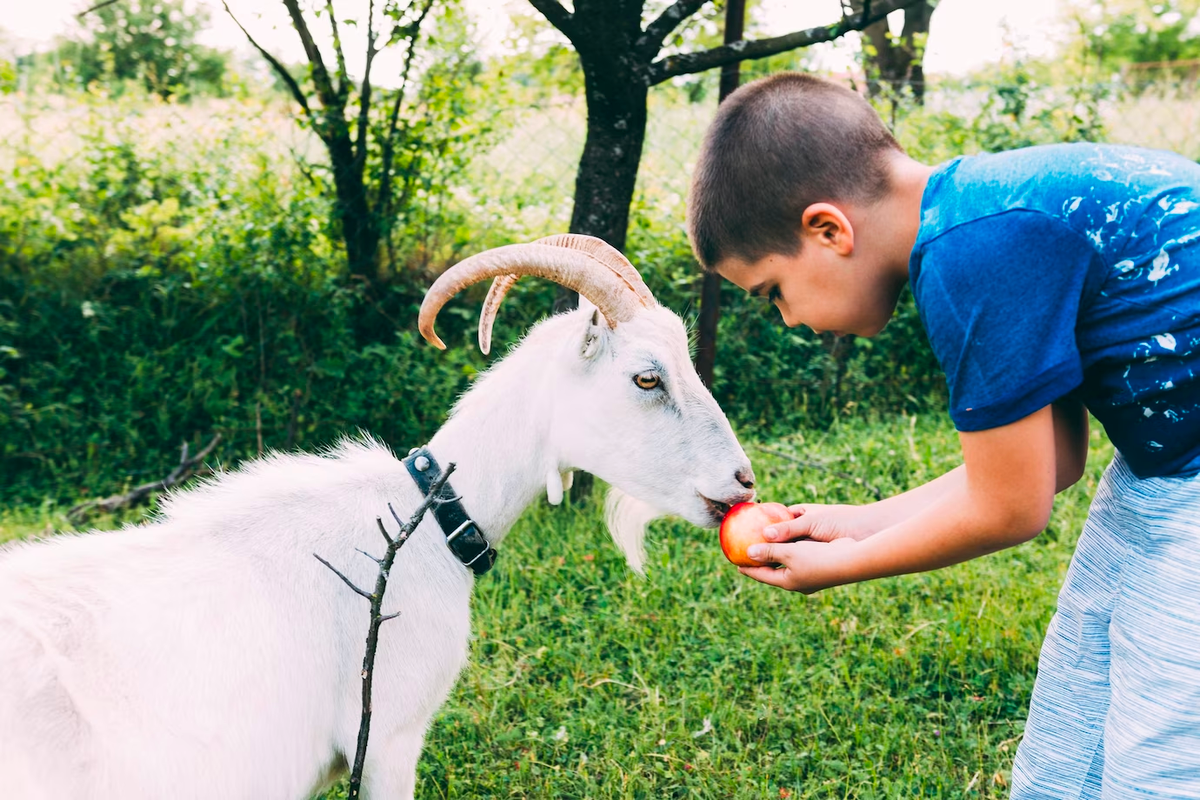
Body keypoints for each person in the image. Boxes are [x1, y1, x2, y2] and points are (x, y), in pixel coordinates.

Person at [687, 71, 1200, 798]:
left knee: (1165, 743)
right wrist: (853, 523)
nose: (789, 319)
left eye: (773, 292)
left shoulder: (970, 257)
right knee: (1087, 685)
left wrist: (841, 565)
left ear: (829, 230)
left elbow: (1010, 510)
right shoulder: (982, 218)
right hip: (1167, 468)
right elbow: (1051, 463)